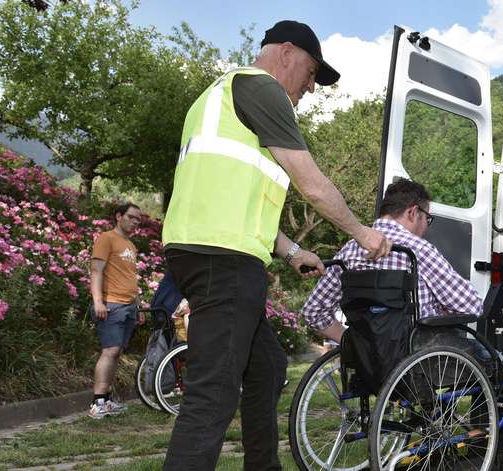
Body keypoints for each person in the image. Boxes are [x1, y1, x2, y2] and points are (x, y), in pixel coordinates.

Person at [160, 20, 391, 470]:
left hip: (203, 250)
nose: (310, 86)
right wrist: (363, 233)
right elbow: (314, 186)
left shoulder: (219, 99)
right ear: (286, 52)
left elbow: (234, 198)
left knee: (264, 366)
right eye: (310, 72)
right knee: (214, 391)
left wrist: (290, 251)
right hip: (222, 259)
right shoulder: (260, 89)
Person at [301, 179, 503, 469]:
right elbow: (471, 306)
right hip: (420, 360)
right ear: (413, 212)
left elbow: (313, 311)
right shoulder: (417, 250)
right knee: (500, 369)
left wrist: (355, 341)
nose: (427, 226)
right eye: (427, 218)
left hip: (372, 364)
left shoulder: (349, 252)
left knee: (443, 350)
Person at [88, 202, 144, 419]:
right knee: (110, 351)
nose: (135, 222)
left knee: (117, 352)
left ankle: (108, 399)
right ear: (119, 216)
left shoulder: (130, 245)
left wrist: (137, 306)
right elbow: (96, 271)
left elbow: (131, 277)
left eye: (138, 219)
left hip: (128, 306)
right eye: (131, 217)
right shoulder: (106, 238)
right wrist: (98, 301)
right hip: (111, 304)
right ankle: (97, 402)